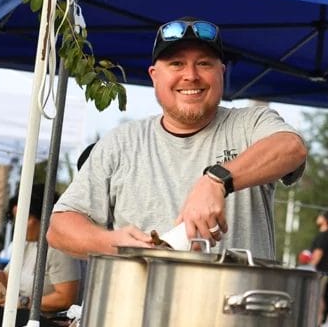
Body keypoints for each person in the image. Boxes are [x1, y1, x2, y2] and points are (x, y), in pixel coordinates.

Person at [47, 17, 308, 260]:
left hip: (237, 305)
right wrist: (114, 243)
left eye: (204, 63)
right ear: (154, 75)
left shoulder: (249, 124)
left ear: (221, 72)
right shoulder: (120, 143)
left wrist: (216, 181)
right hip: (140, 305)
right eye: (176, 64)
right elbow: (59, 228)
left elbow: (291, 148)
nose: (191, 75)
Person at [0, 183, 79, 313]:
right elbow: (7, 279)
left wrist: (24, 302)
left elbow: (66, 298)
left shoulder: (59, 248)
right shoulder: (25, 244)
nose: (18, 225)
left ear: (42, 216)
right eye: (15, 219)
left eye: (25, 218)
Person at [309, 211, 328, 324]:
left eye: (320, 216)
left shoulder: (324, 235)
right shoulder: (326, 234)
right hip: (323, 271)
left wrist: (310, 266)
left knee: (317, 296)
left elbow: (318, 253)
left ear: (325, 220)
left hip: (320, 271)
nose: (318, 218)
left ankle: (317, 321)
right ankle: (318, 320)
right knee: (319, 296)